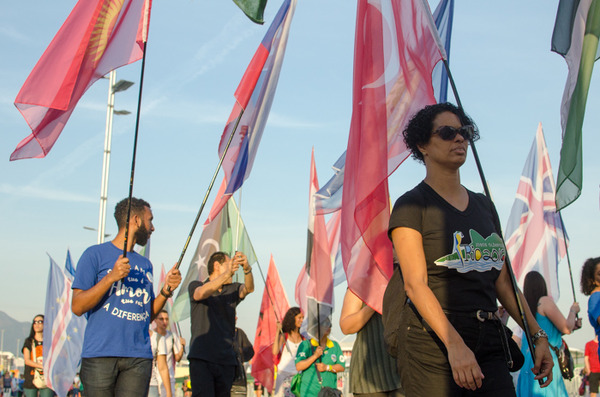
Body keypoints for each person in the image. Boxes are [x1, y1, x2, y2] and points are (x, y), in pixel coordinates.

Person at [387, 103, 554, 396]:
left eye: (464, 132)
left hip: (489, 336)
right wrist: (455, 345)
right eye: (448, 132)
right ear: (422, 145)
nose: (460, 139)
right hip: (432, 343)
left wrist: (537, 336)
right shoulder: (412, 205)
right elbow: (415, 285)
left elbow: (504, 283)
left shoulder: (484, 206)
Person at [71, 197, 182, 396]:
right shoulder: (94, 254)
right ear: (136, 220)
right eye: (150, 220)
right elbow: (77, 306)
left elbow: (146, 316)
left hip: (138, 357)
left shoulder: (145, 264)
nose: (153, 227)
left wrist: (166, 291)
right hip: (100, 356)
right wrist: (111, 277)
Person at [188, 251, 255, 397]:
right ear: (217, 265)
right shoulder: (197, 285)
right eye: (229, 263)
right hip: (202, 359)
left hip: (226, 360)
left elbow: (248, 289)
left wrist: (247, 269)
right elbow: (199, 294)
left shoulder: (232, 289)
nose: (233, 267)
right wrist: (227, 274)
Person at [516, 271, 581, 396]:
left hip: (529, 361)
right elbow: (566, 327)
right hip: (545, 358)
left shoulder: (526, 309)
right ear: (542, 285)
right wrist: (573, 311)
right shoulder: (544, 301)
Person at [340, 289, 403, 396]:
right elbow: (346, 327)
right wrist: (374, 304)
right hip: (368, 376)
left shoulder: (401, 280)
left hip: (401, 371)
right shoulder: (358, 285)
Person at [295, 317, 345, 397]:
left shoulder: (335, 346)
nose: (328, 327)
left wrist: (327, 367)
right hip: (309, 393)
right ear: (316, 326)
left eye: (330, 324)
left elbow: (341, 367)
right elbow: (298, 366)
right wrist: (315, 356)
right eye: (325, 324)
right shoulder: (305, 345)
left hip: (329, 393)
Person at [272, 307, 304, 397]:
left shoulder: (303, 338)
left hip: (298, 377)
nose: (301, 320)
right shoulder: (284, 336)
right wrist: (278, 331)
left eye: (302, 318)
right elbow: (275, 351)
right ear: (292, 318)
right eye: (299, 318)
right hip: (283, 375)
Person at [154, 310, 185, 397]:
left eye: (167, 319)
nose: (164, 322)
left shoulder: (172, 336)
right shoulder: (152, 336)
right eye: (161, 319)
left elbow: (178, 358)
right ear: (155, 320)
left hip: (169, 377)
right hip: (154, 378)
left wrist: (182, 346)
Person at [22, 315, 53, 397]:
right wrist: (41, 366)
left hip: (47, 378)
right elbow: (27, 360)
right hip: (31, 377)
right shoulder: (29, 341)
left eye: (40, 322)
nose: (37, 324)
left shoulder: (50, 342)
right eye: (35, 322)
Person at [231, 325, 254, 396]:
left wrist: (241, 353)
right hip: (221, 381)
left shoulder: (239, 333)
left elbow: (250, 351)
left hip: (238, 381)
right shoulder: (218, 332)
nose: (236, 318)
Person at [148, 329, 171, 397]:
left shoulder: (158, 338)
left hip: (151, 384)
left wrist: (169, 393)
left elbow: (163, 368)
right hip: (130, 384)